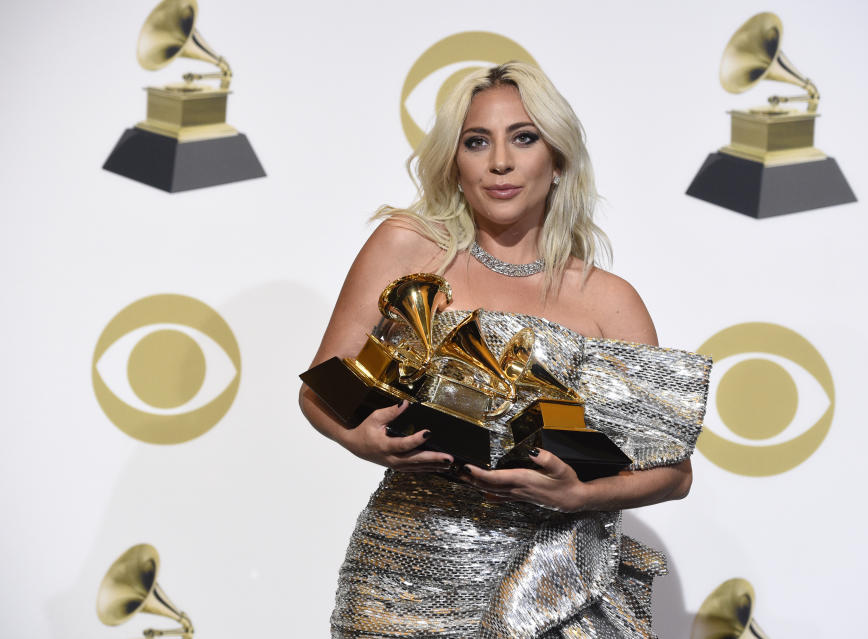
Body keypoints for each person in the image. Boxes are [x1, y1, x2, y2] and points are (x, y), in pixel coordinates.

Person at [299, 62, 710, 638]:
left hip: (552, 588)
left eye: (524, 137)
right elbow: (321, 388)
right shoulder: (407, 247)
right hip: (405, 579)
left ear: (558, 158)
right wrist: (359, 439)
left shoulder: (610, 301)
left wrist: (576, 494)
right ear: (455, 160)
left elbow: (673, 472)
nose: (500, 161)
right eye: (476, 142)